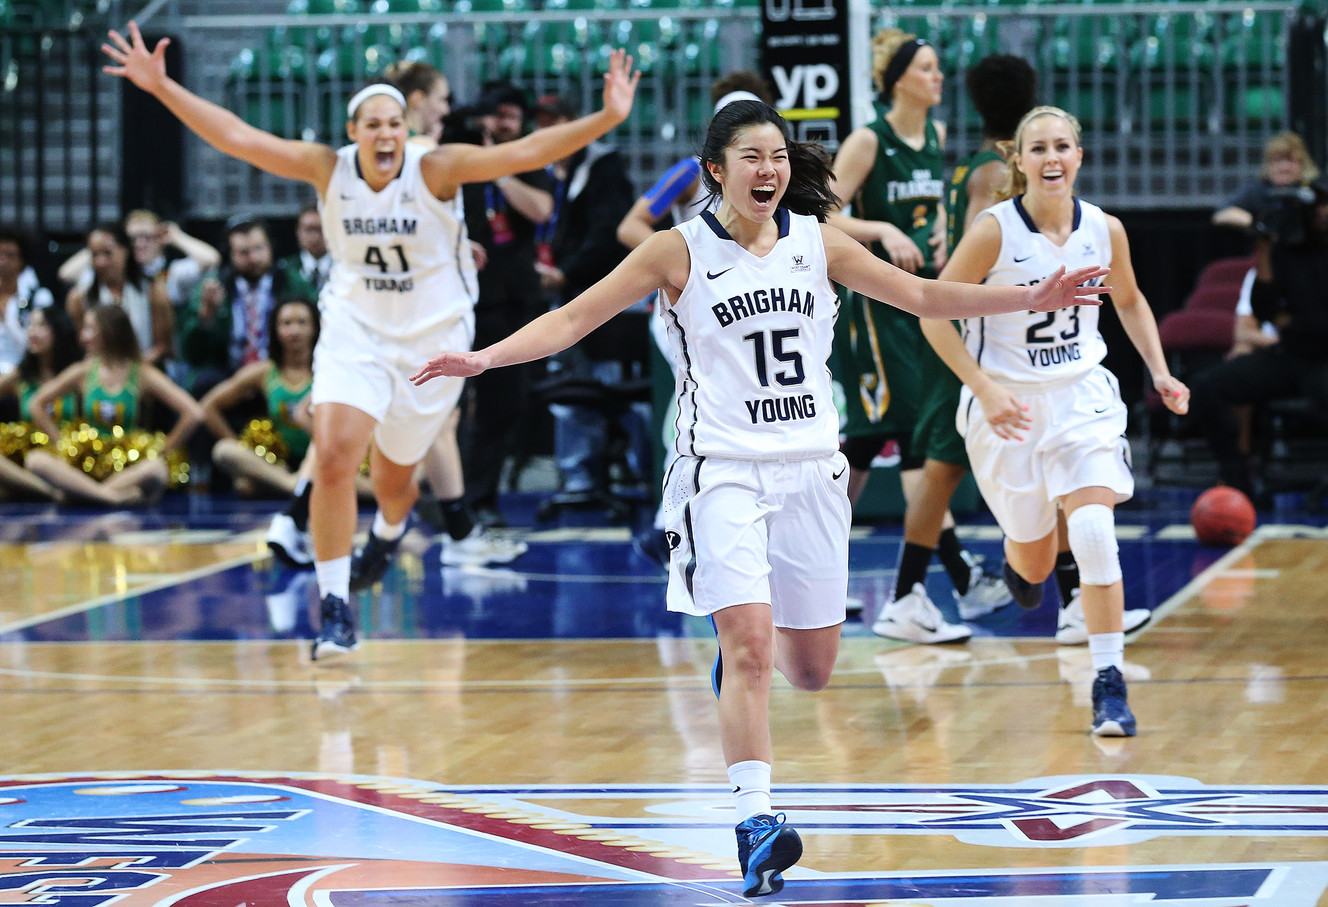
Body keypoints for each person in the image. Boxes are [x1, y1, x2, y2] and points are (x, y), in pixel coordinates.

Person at [410, 99, 1109, 895]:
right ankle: (755, 821)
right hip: (723, 470)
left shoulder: (817, 241)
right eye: (751, 156)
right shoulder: (678, 252)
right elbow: (572, 317)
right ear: (716, 169)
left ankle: (742, 657)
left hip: (813, 469)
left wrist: (1029, 298)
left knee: (809, 669)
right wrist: (483, 358)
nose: (769, 169)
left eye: (778, 155)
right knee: (748, 646)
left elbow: (923, 299)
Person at [101, 21, 640, 658]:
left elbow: (526, 153)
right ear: (353, 132)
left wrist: (607, 117)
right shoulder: (327, 169)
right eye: (372, 123)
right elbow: (238, 136)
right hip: (356, 330)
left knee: (393, 479)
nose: (385, 133)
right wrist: (163, 88)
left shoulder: (436, 166)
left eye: (394, 123)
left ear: (405, 131)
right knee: (332, 453)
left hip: (432, 341)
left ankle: (386, 532)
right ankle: (335, 607)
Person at [920, 105, 1189, 737]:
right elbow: (934, 311)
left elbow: (1128, 299)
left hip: (1081, 396)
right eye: (1037, 148)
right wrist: (982, 388)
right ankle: (1022, 564)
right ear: (1017, 160)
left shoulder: (1104, 228)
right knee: (1036, 562)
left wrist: (1158, 370)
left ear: (1079, 156)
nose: (1050, 158)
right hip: (1008, 409)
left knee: (1093, 528)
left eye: (1062, 146)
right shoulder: (994, 231)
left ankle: (1108, 682)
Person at [829, 29, 1003, 643]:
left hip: (923, 301)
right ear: (900, 78)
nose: (938, 78)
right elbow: (823, 212)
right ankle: (954, 579)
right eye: (927, 68)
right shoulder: (868, 140)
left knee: (878, 438)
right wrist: (880, 229)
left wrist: (941, 238)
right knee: (905, 434)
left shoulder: (936, 138)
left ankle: (821, 564)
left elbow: (935, 213)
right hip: (875, 309)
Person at [614, 71, 774, 564]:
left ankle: (694, 521)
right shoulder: (689, 172)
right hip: (691, 307)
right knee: (703, 402)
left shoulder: (775, 174)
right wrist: (687, 263)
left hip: (752, 306)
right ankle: (672, 523)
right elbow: (630, 225)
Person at [389, 60, 528, 567]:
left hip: (421, 301)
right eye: (442, 98)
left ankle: (455, 527)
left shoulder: (418, 155)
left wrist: (453, 241)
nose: (448, 108)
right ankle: (302, 519)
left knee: (439, 420)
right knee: (377, 420)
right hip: (403, 307)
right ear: (418, 98)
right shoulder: (414, 153)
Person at [533, 93, 644, 504]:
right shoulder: (551, 170)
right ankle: (580, 475)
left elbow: (608, 234)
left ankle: (637, 469)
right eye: (542, 123)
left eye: (555, 121)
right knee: (572, 383)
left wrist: (568, 271)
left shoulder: (601, 166)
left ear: (574, 122)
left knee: (612, 386)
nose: (548, 130)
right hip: (567, 292)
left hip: (604, 292)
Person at [1189, 177, 1328, 499]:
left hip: (1323, 359)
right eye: (1318, 204)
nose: (1323, 211)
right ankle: (1238, 480)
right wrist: (1264, 256)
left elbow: (1303, 319)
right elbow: (1267, 313)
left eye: (1327, 203)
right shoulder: (1287, 252)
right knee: (1210, 387)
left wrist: (1296, 321)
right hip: (1290, 354)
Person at [459, 81, 556, 528]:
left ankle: (480, 500)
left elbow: (540, 210)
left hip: (512, 300)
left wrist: (497, 172)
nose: (502, 123)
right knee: (445, 404)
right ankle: (449, 497)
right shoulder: (456, 157)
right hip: (459, 299)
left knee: (504, 404)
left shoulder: (528, 160)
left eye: (511, 117)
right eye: (495, 114)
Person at [27, 304, 204, 507]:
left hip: (128, 467)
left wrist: (163, 450)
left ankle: (84, 494)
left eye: (89, 329)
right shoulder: (84, 372)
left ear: (109, 332)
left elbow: (194, 413)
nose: (83, 337)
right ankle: (110, 497)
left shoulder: (141, 374)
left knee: (156, 469)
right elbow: (36, 403)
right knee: (36, 460)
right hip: (87, 464)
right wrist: (62, 445)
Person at [59, 209, 220, 311]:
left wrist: (177, 236)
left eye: (147, 237)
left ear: (160, 239)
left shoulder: (173, 271)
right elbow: (66, 274)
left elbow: (211, 259)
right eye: (132, 238)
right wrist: (102, 246)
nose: (139, 244)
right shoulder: (112, 274)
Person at [0, 306, 82, 501]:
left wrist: (65, 448)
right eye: (30, 325)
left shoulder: (77, 374)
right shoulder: (19, 376)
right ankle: (52, 493)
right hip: (29, 461)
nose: (32, 332)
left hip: (70, 458)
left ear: (58, 331)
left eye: (41, 325)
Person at [66, 222, 174, 367]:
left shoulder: (153, 290)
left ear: (125, 251)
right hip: (100, 373)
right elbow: (85, 348)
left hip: (146, 372)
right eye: (94, 254)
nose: (100, 262)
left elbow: (163, 346)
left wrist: (130, 371)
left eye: (107, 253)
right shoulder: (81, 297)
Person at [1211, 131, 1320, 232]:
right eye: (1277, 160)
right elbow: (1220, 213)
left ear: (1303, 164)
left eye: (1290, 160)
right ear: (1268, 165)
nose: (1284, 167)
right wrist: (1259, 223)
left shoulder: (1314, 189)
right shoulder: (1257, 190)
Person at [0, 224, 56, 379]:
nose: (2, 262)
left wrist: (6, 318)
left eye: (10, 255)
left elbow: (40, 345)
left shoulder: (39, 297)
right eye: (0, 254)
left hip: (22, 374)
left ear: (22, 260)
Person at [277, 204, 333, 296]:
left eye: (321, 229)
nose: (315, 237)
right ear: (298, 231)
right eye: (309, 229)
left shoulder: (343, 268)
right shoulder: (284, 268)